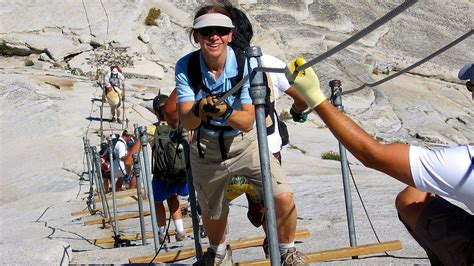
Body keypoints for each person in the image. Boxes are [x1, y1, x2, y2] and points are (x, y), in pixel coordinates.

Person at [286, 58, 473, 265]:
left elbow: (373, 154)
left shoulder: (465, 162)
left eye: (471, 86)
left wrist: (314, 96)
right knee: (415, 194)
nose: (471, 93)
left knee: (413, 198)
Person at [175, 5, 302, 265]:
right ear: (196, 36)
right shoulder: (186, 66)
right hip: (207, 147)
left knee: (282, 195)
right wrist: (200, 109)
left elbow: (246, 122)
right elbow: (186, 119)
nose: (214, 36)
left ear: (230, 35)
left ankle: (287, 251)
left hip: (246, 144)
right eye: (206, 31)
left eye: (220, 30)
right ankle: (219, 252)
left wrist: (222, 111)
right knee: (212, 209)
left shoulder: (247, 62)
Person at [150, 94, 189, 243]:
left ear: (155, 112)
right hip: (179, 173)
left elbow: (135, 151)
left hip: (161, 174)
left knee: (157, 201)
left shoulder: (152, 129)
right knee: (174, 197)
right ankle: (180, 231)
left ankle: (162, 233)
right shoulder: (180, 125)